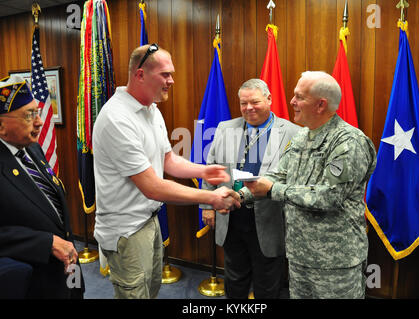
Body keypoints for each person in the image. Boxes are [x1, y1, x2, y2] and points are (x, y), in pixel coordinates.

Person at [92, 44, 240, 299]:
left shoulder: (151, 109)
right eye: (165, 74)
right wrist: (210, 198)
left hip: (148, 221)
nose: (172, 80)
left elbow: (168, 161)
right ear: (140, 75)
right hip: (126, 230)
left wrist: (205, 171)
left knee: (151, 290)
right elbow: (152, 186)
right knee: (134, 295)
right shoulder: (117, 118)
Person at [243, 71, 377, 299]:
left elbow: (329, 197)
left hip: (335, 263)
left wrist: (274, 191)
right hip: (299, 255)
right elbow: (279, 174)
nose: (291, 102)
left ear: (320, 104)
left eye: (299, 97)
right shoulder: (302, 137)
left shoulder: (348, 142)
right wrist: (242, 195)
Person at [201, 79, 299, 298]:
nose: (248, 108)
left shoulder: (293, 133)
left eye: (254, 102)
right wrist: (207, 205)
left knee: (267, 283)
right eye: (243, 103)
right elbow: (211, 168)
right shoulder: (226, 128)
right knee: (235, 279)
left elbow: (295, 179)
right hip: (232, 216)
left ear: (269, 99)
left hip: (270, 219)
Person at [0, 75, 84, 299]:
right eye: (29, 115)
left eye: (37, 111)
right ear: (1, 126)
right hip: (34, 282)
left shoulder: (31, 148)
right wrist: (46, 243)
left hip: (67, 269)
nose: (39, 122)